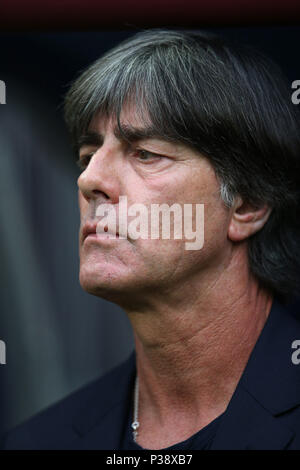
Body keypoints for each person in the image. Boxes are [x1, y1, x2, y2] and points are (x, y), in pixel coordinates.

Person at [2, 29, 300, 450]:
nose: (89, 180)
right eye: (87, 157)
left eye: (146, 154)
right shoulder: (38, 441)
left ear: (247, 204)